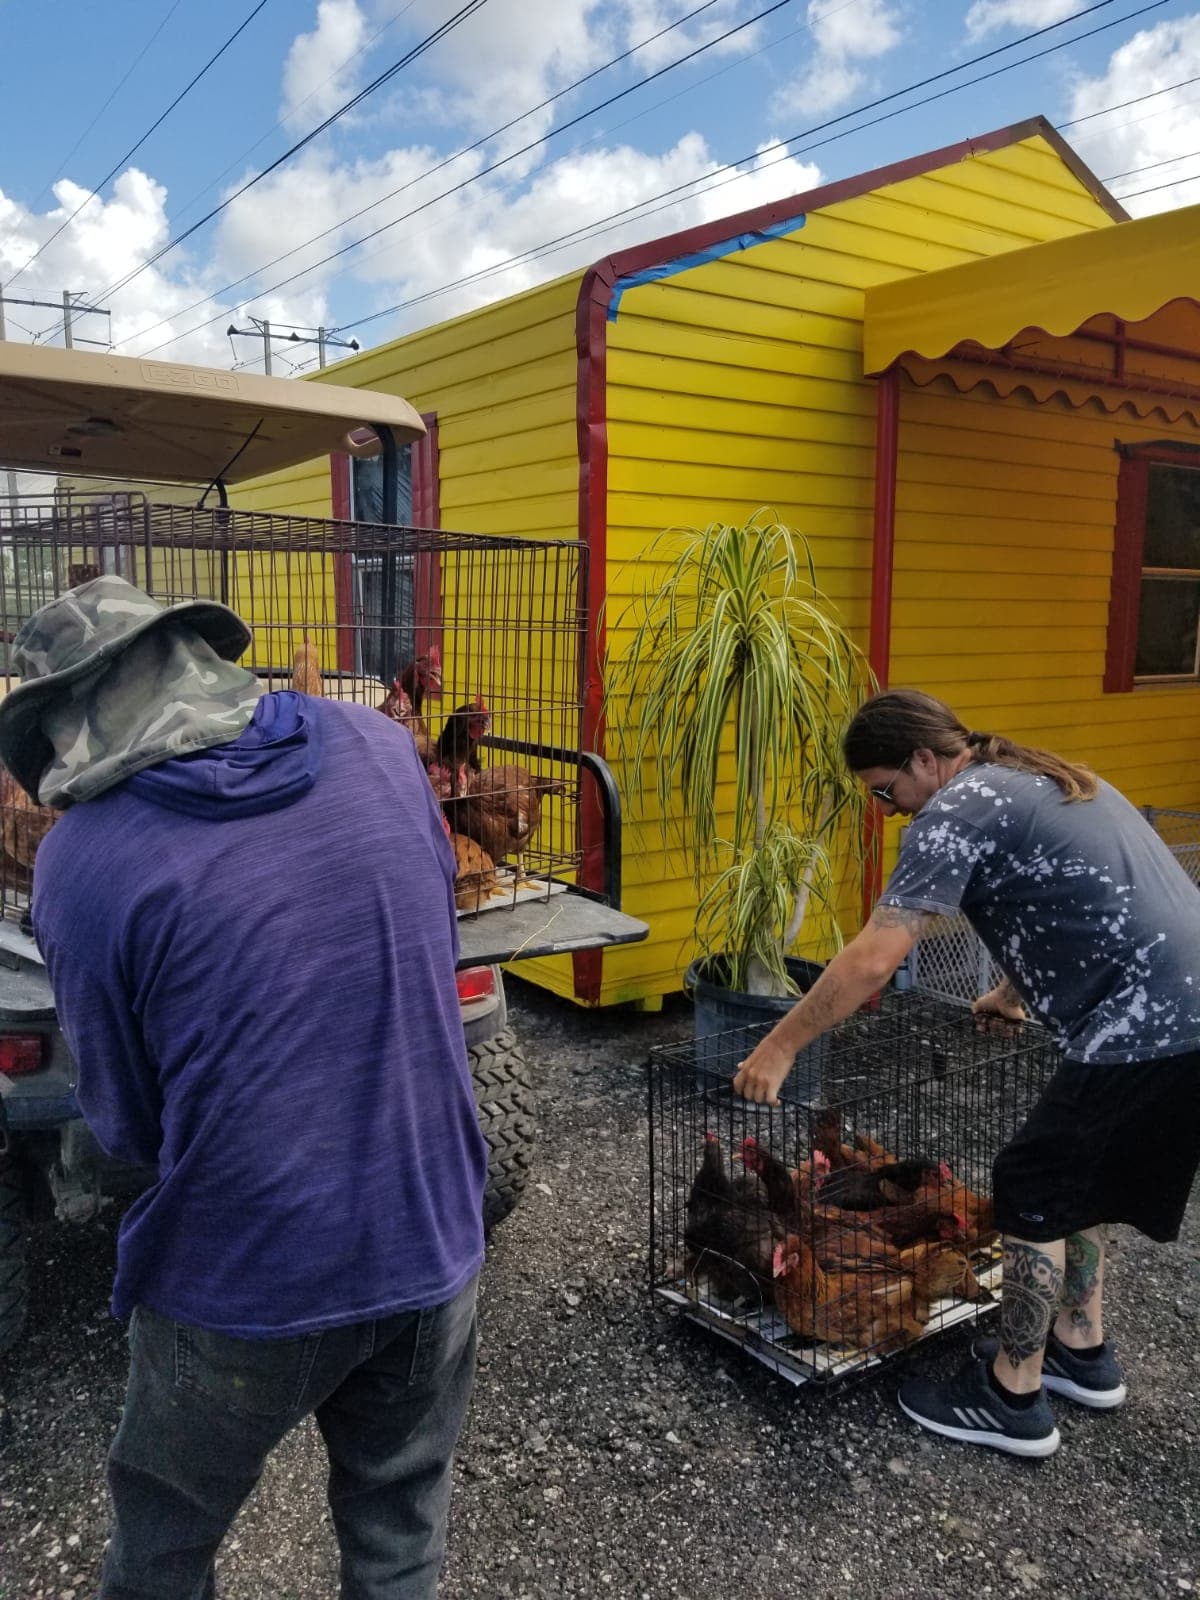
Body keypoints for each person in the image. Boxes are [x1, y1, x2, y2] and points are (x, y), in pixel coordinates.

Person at [0, 576, 488, 1597]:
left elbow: (126, 1123)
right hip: (432, 1230)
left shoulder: (80, 862)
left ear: (66, 725)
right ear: (200, 657)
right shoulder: (380, 747)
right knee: (399, 1532)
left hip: (244, 1277)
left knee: (166, 1548)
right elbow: (429, 959)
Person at [733, 688, 1200, 1459]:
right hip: (1181, 1010)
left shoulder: (956, 809)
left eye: (886, 791)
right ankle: (1081, 1353)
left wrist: (780, 1046)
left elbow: (875, 958)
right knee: (1074, 1183)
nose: (890, 811)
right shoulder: (1035, 781)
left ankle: (1013, 1397)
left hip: (1148, 1022)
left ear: (925, 759)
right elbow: (1078, 901)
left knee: (1030, 1185)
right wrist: (1012, 992)